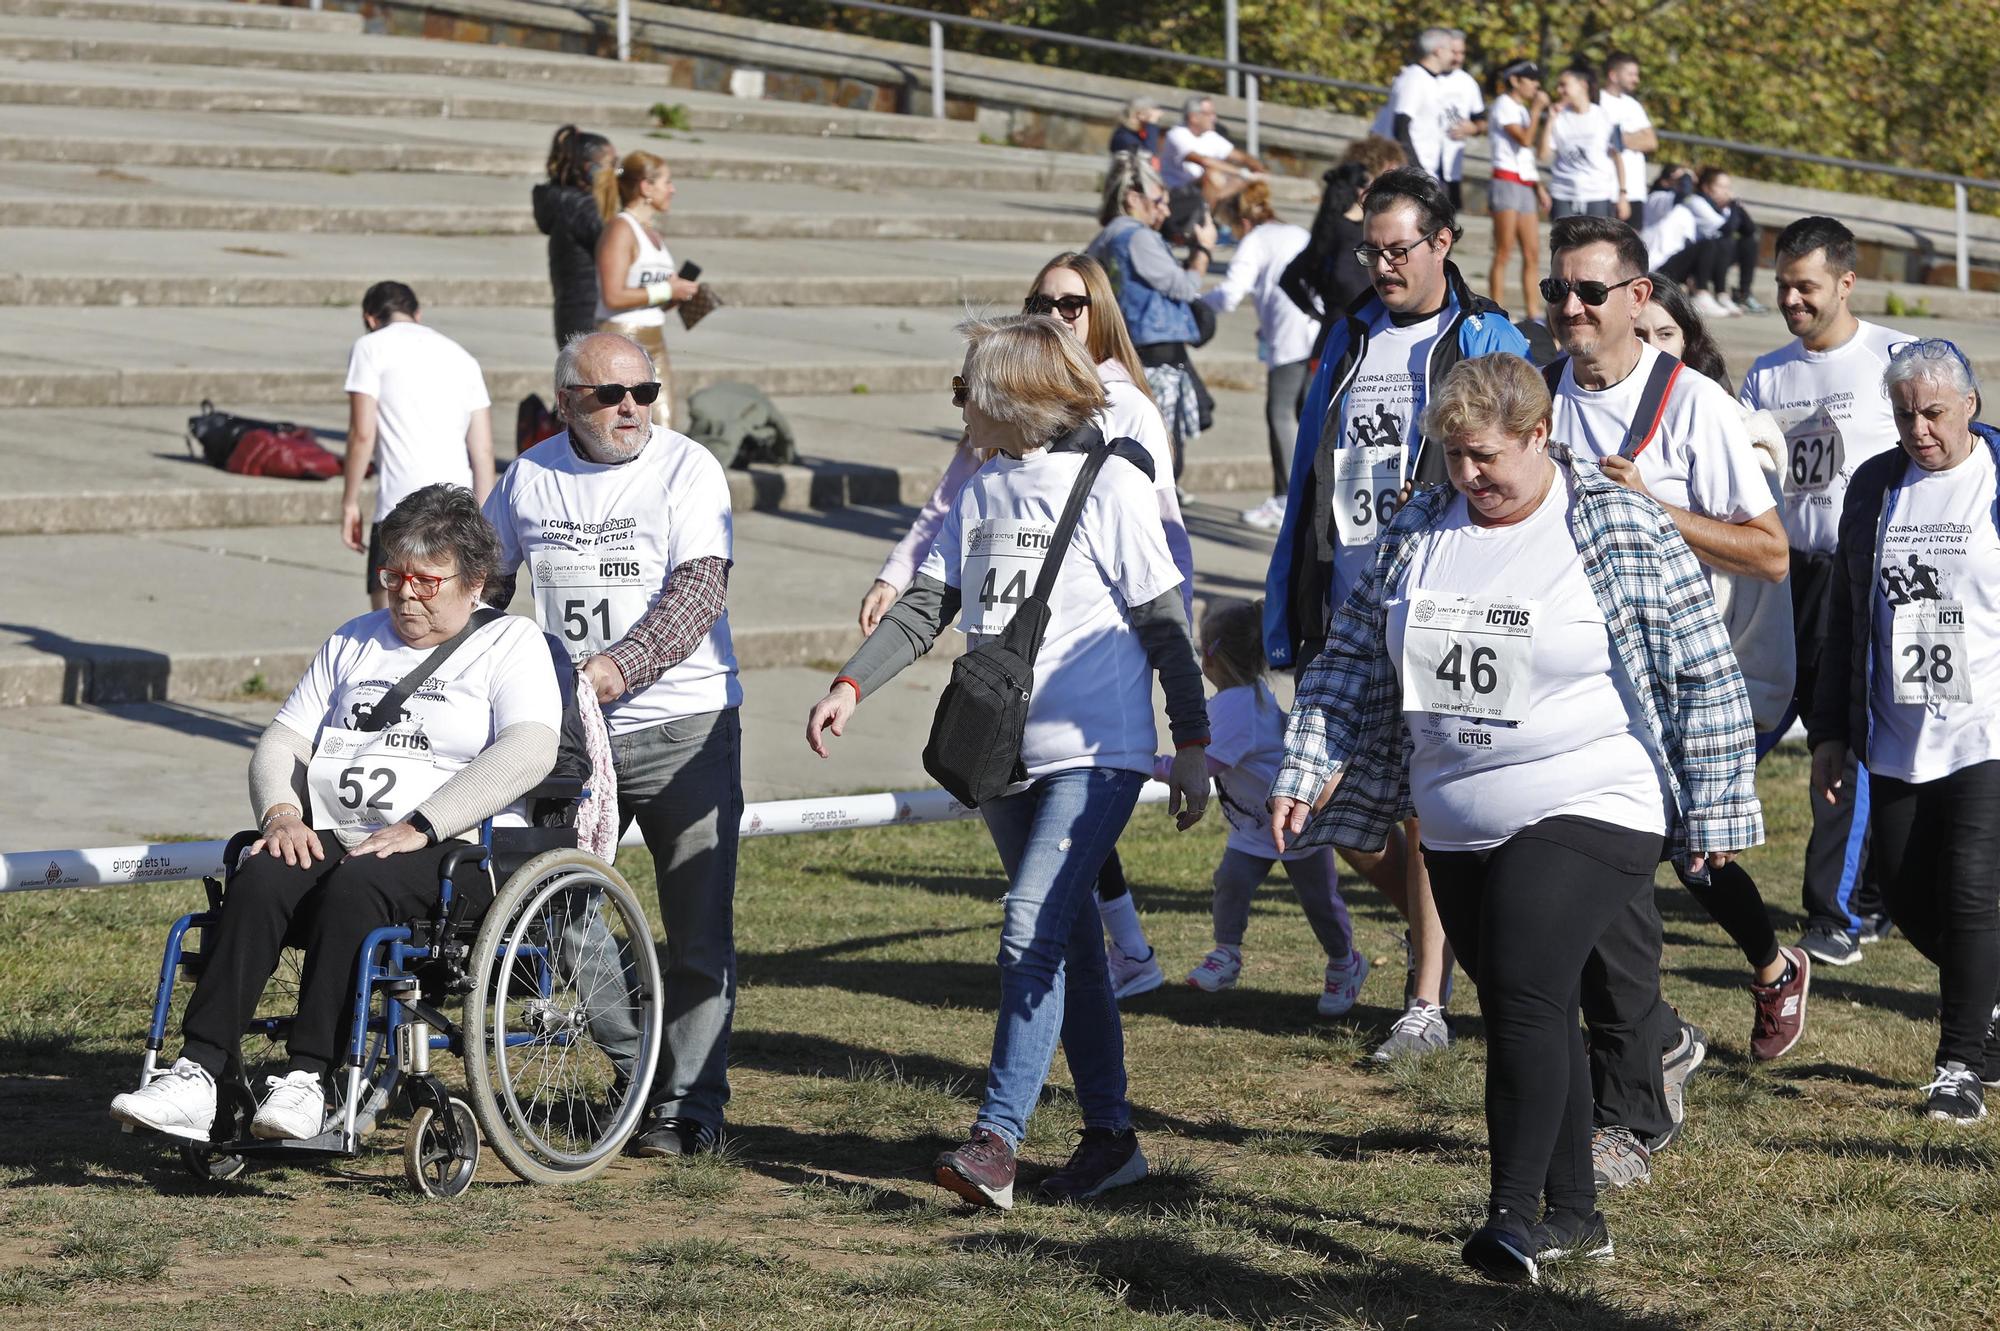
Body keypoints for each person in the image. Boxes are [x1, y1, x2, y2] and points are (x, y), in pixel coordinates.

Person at [1269, 352, 1762, 1285]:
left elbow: (1699, 665)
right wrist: (1307, 764)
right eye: (1452, 456)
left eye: (1486, 456)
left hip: (1595, 794)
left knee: (1530, 987)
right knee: (1526, 1004)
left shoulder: (1611, 520)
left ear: (1541, 436)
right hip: (1458, 819)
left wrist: (1716, 799)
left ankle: (1510, 1218)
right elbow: (1349, 662)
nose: (1468, 475)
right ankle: (1577, 1217)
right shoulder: (1421, 525)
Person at [806, 314, 1212, 1208]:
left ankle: (996, 1139)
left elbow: (1163, 624)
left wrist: (1191, 744)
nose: (958, 405)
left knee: (1028, 924)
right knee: (1066, 945)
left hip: (1096, 754)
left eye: (966, 389)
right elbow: (926, 606)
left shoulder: (1112, 488)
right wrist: (850, 684)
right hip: (1000, 757)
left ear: (1012, 397)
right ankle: (1112, 1140)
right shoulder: (983, 488)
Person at [110, 485, 562, 1144]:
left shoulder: (512, 644)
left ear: (473, 583)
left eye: (426, 581)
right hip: (341, 833)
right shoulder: (355, 640)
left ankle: (310, 1078)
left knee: (360, 880)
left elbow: (530, 748)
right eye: (394, 575)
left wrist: (422, 824)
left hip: (452, 852)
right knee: (264, 871)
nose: (405, 594)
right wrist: (282, 813)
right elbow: (282, 742)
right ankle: (198, 1071)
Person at [1541, 215, 1807, 1190]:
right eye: (1556, 292)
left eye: (1588, 291)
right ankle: (1657, 1038)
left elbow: (1770, 551)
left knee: (1608, 901)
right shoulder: (1539, 401)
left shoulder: (1690, 407)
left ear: (1637, 297)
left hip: (1667, 695)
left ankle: (1629, 1114)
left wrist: (1653, 510)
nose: (1568, 307)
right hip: (1561, 689)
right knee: (1548, 906)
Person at [857, 251, 1194, 998]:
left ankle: (1009, 1109)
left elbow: (1157, 539)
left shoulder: (1124, 412)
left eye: (1071, 304)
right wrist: (895, 576)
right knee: (1054, 913)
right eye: (1041, 300)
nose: (1054, 314)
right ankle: (1109, 1082)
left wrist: (1179, 677)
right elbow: (952, 504)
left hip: (1091, 681)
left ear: (1098, 313)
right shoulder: (999, 408)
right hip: (1008, 699)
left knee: (1040, 906)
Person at [1265, 166, 1529, 1061]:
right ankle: (1479, 946)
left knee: (1430, 813)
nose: (1381, 265)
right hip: (1348, 608)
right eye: (1369, 250)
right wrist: (1287, 595)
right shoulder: (1350, 334)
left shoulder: (1485, 333)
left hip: (1443, 605)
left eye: (1397, 249)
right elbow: (1308, 475)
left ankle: (1425, 1003)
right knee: (1328, 811)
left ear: (1442, 244)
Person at [482, 329, 743, 1159]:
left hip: (685, 727)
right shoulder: (528, 477)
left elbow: (699, 589)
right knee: (559, 910)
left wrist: (614, 670)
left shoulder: (687, 467)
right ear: (566, 402)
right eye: (609, 395)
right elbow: (485, 585)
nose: (630, 407)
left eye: (644, 391)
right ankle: (638, 1073)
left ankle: (691, 1104)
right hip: (567, 739)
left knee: (697, 934)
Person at [1809, 338, 2000, 1123]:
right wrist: (1830, 730)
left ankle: (1958, 1065)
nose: (1919, 429)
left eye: (1932, 412)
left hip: (1986, 726)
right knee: (1909, 895)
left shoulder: (1994, 480)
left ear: (1969, 407)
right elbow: (1848, 613)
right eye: (1903, 414)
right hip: (1896, 727)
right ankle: (1985, 999)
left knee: (1971, 886)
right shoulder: (1876, 486)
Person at [1740, 216, 1914, 965]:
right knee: (1758, 720)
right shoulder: (1768, 374)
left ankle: (1838, 912)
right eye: (1782, 285)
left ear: (1847, 282)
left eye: (1806, 286)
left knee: (1847, 742)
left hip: (1865, 574)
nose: (1792, 299)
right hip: (1786, 572)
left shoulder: (1894, 359)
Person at [1179, 598, 1365, 1014]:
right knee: (1232, 882)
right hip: (1258, 827)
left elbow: (1208, 762)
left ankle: (1345, 962)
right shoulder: (1249, 695)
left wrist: (1155, 766)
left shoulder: (1236, 704)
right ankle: (1226, 952)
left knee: (1319, 901)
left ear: (1212, 656)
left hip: (1292, 823)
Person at [339, 281, 494, 611]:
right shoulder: (463, 357)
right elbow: (482, 451)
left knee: (389, 611)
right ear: (417, 314)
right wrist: (485, 521)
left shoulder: (370, 347)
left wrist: (350, 501)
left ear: (369, 318)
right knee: (452, 612)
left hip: (398, 506)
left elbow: (362, 434)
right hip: (457, 505)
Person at [1088, 152, 1213, 476]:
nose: (1165, 210)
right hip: (1157, 355)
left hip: (1132, 348)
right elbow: (1182, 287)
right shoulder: (1137, 237)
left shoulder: (1105, 237)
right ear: (1133, 198)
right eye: (1159, 201)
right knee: (1163, 448)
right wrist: (1203, 251)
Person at [1205, 182, 1319, 531]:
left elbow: (1228, 296)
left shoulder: (1254, 241)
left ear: (1240, 222)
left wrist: (1188, 302)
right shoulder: (1294, 232)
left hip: (1289, 336)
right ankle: (1308, 496)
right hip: (1317, 329)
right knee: (1307, 414)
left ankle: (1286, 498)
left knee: (1280, 413)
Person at [594, 150, 701, 423]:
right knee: (624, 423)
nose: (673, 190)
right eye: (667, 182)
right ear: (646, 186)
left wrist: (677, 294)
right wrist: (667, 290)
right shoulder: (620, 229)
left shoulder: (652, 232)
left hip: (655, 339)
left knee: (665, 426)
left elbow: (648, 295)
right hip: (621, 337)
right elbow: (613, 295)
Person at [1280, 135, 1406, 364]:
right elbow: (1291, 278)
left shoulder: (1342, 228)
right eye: (1390, 176)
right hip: (1343, 352)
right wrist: (1318, 315)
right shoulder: (1343, 231)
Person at [534, 125, 614, 348]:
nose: (618, 174)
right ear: (590, 168)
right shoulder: (583, 209)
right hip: (589, 313)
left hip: (574, 310)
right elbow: (619, 250)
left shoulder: (565, 203)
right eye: (613, 166)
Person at [1486, 60, 1551, 321]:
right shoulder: (1504, 105)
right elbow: (1524, 139)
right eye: (1530, 79)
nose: (1536, 85)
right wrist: (1536, 111)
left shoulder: (1522, 109)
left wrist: (1538, 186)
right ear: (1515, 80)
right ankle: (1495, 309)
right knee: (1504, 250)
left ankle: (1532, 312)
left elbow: (1526, 155)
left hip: (1524, 183)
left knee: (1532, 252)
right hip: (1505, 181)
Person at [1659, 169, 1763, 318]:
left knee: (1748, 242)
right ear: (1707, 187)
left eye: (1728, 187)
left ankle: (1743, 294)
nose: (1726, 192)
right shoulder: (1696, 201)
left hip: (1712, 260)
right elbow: (1726, 229)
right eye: (1721, 186)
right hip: (1687, 262)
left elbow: (1749, 229)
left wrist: (1738, 207)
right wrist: (1734, 205)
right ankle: (1704, 294)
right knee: (1718, 242)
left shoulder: (1725, 208)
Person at [1539, 65, 1626, 221]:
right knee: (1565, 245)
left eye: (1564, 85)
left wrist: (1622, 195)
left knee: (1597, 244)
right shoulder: (1558, 118)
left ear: (1582, 85)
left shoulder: (1606, 116)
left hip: (1597, 194)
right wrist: (1550, 120)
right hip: (1563, 194)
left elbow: (1618, 156)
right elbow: (1543, 156)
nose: (1559, 90)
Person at [1159, 95, 1265, 213]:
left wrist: (1257, 166)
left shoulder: (1210, 136)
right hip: (1177, 191)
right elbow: (1204, 161)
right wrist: (1243, 172)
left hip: (1201, 189)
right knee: (1213, 174)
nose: (1214, 118)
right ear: (1194, 117)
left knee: (1242, 181)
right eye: (1209, 114)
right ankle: (1205, 218)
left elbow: (1239, 156)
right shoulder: (1177, 134)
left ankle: (1224, 218)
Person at [1374, 27, 1455, 180]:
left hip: (1424, 171)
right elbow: (1401, 125)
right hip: (1407, 172)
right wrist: (1416, 169)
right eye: (1451, 50)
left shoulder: (1433, 81)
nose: (1454, 56)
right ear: (1438, 51)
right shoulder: (1413, 79)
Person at [1597, 54, 1657, 229]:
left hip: (1635, 190)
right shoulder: (1598, 101)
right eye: (1631, 74)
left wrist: (1620, 137)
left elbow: (1651, 142)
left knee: (1632, 249)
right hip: (1609, 191)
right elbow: (1603, 140)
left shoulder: (1633, 105)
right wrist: (1633, 137)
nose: (1636, 79)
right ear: (1613, 75)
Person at [1434, 30, 1488, 214]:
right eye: (1454, 52)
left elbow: (1481, 122)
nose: (1458, 58)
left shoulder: (1467, 83)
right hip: (1424, 162)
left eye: (1462, 53)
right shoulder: (1426, 77)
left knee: (1447, 220)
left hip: (1451, 168)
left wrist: (1473, 128)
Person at [1109, 95, 1163, 164]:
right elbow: (1147, 156)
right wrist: (1152, 123)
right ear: (1139, 114)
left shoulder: (1134, 133)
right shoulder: (1124, 137)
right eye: (1151, 114)